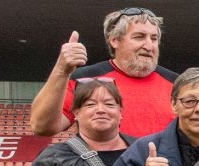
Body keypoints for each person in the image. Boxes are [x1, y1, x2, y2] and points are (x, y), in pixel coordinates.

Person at [30, 8, 177, 139]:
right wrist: (61, 70)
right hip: (102, 162)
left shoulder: (177, 84)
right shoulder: (84, 79)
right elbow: (42, 127)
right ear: (114, 40)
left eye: (154, 39)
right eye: (139, 37)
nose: (149, 46)